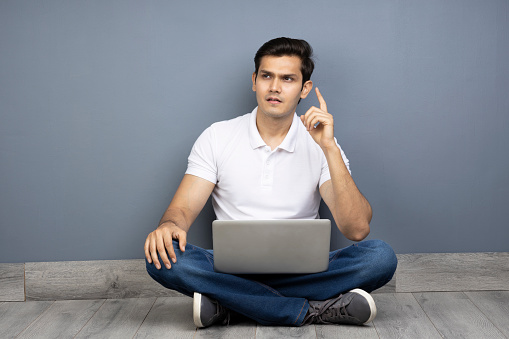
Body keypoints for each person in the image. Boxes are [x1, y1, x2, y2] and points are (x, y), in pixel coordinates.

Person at [145, 37, 397, 328]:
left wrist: (329, 149)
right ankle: (313, 311)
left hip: (304, 272)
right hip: (231, 270)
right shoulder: (217, 136)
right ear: (254, 80)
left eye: (287, 79)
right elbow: (182, 210)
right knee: (161, 257)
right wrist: (169, 226)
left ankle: (232, 305)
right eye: (267, 76)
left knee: (380, 257)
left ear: (305, 88)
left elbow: (356, 229)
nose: (275, 87)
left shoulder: (323, 145)